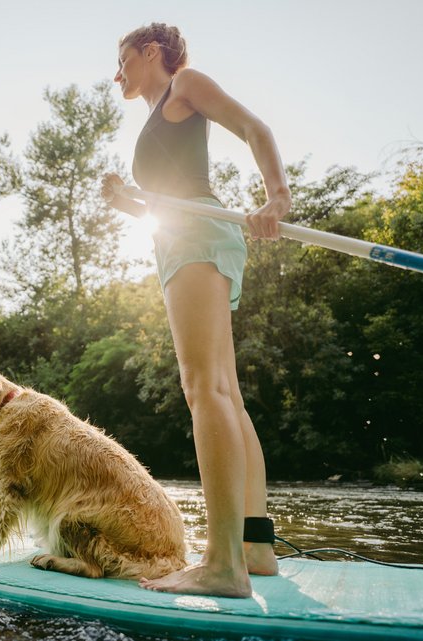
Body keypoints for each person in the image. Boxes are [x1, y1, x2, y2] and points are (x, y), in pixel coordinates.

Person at [100, 22, 290, 598]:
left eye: (123, 59)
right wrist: (130, 205)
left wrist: (277, 196)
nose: (118, 73)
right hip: (186, 237)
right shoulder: (160, 113)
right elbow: (169, 205)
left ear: (151, 52)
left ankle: (221, 565)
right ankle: (254, 548)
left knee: (202, 388)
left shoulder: (186, 84)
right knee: (223, 391)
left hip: (198, 239)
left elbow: (254, 129)